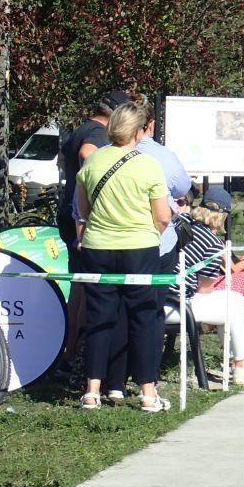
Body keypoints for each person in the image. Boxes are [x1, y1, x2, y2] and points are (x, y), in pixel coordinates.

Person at [75, 102, 172, 412]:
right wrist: (151, 233)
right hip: (139, 247)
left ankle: (92, 390)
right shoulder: (148, 165)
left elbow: (83, 210)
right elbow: (163, 216)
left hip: (97, 246)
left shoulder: (92, 161)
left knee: (99, 317)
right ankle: (148, 393)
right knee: (143, 316)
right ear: (137, 132)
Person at [103, 97, 193, 402]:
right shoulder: (160, 157)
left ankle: (114, 382)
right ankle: (147, 383)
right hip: (152, 243)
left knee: (117, 313)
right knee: (149, 314)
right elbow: (181, 189)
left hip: (110, 244)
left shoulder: (101, 156)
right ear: (148, 125)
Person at [163, 191, 244, 384]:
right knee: (235, 302)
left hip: (158, 293)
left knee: (236, 296)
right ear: (224, 216)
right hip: (177, 301)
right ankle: (242, 364)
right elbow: (204, 290)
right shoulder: (212, 244)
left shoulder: (181, 222)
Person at [57, 90, 130, 373]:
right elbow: (87, 154)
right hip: (83, 218)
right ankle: (78, 354)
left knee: (79, 286)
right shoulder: (98, 134)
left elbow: (64, 158)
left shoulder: (81, 128)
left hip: (71, 212)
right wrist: (99, 184)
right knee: (88, 290)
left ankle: (69, 351)